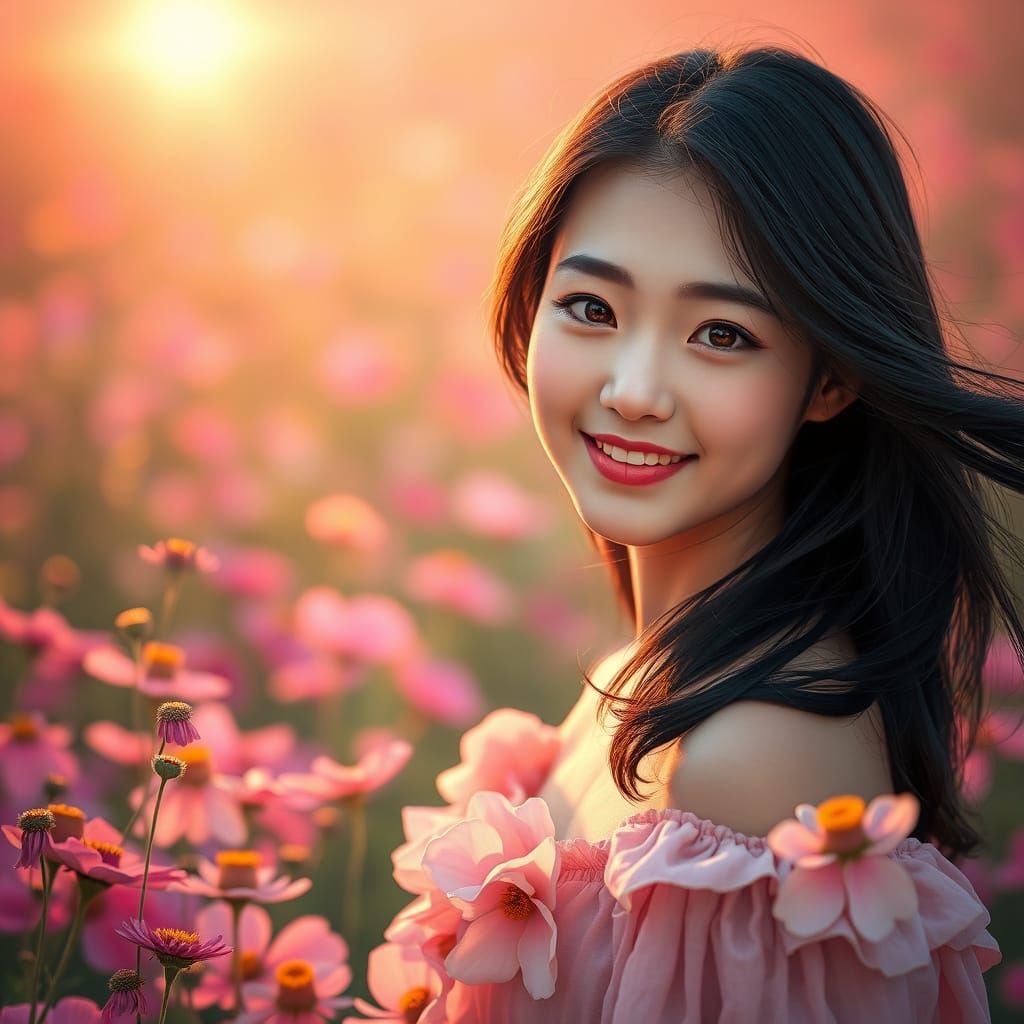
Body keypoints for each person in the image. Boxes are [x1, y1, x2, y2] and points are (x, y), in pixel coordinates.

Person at [379, 43, 1018, 1023]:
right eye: (591, 307)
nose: (633, 391)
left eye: (721, 334)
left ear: (831, 377)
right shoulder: (647, 676)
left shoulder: (755, 755)